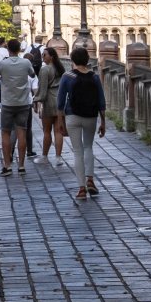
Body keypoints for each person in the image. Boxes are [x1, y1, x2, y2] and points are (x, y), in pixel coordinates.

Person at [57, 46, 107, 199]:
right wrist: (103, 122)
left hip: (72, 116)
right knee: (88, 147)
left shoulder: (67, 76)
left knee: (77, 151)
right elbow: (101, 101)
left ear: (72, 60)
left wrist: (61, 121)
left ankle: (81, 189)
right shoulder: (95, 77)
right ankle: (90, 180)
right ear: (87, 60)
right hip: (91, 117)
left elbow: (60, 102)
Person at [0, 38, 35, 177]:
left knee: (5, 133)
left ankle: (7, 165)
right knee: (21, 132)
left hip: (7, 103)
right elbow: (33, 74)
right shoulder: (26, 62)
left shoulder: (3, 64)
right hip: (23, 103)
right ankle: (21, 166)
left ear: (8, 49)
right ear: (19, 49)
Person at [36, 46, 66, 165]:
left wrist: (36, 100)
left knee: (47, 131)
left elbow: (42, 90)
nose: (43, 57)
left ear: (51, 57)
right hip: (60, 101)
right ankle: (58, 158)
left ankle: (44, 156)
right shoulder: (61, 69)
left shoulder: (45, 70)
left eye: (45, 55)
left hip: (49, 101)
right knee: (58, 131)